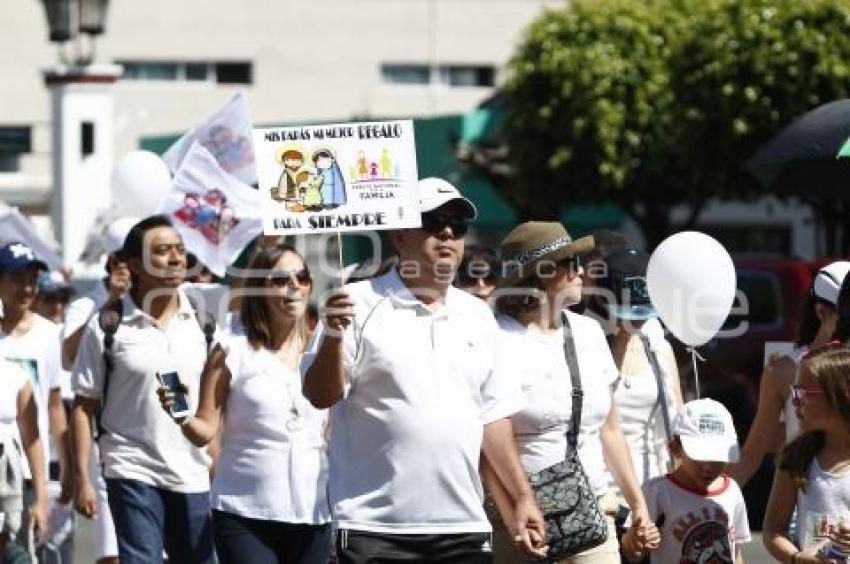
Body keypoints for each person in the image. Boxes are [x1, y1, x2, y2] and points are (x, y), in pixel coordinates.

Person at [302, 177, 547, 563]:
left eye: (457, 224)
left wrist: (521, 499)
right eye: (432, 221)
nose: (447, 232)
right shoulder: (356, 302)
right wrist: (332, 337)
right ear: (399, 236)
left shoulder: (479, 315)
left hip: (462, 527)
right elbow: (320, 395)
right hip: (374, 527)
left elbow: (494, 418)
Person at [489, 221, 657, 563]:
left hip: (593, 511)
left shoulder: (589, 333)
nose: (583, 270)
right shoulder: (495, 338)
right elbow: (487, 442)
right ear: (542, 273)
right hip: (523, 523)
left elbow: (609, 431)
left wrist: (638, 504)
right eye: (572, 263)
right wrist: (514, 510)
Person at [159, 244, 331, 564]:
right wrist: (180, 415)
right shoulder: (231, 349)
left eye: (303, 277)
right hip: (245, 512)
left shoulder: (326, 350)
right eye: (280, 280)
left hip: (315, 511)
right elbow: (204, 430)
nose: (294, 287)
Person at [71, 216, 216, 564]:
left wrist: (216, 457)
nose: (176, 259)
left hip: (191, 470)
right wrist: (82, 478)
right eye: (163, 251)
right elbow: (83, 406)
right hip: (130, 466)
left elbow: (214, 400)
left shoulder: (201, 319)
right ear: (135, 264)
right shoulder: (107, 325)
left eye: (180, 250)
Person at [732, 261, 850, 486]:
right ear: (822, 312)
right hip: (804, 505)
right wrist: (712, 502)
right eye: (845, 316)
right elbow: (754, 454)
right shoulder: (782, 371)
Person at [60, 216, 136, 564]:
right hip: (108, 450)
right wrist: (111, 303)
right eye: (126, 258)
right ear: (111, 262)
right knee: (112, 555)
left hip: (155, 449)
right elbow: (70, 356)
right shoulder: (86, 305)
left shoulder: (161, 305)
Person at [0, 242, 72, 557]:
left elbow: (55, 406)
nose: (27, 288)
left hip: (29, 469)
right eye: (17, 279)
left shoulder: (49, 335)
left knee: (23, 552)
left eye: (32, 279)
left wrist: (69, 467)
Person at [623, 398, 751, 563]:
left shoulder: (732, 491)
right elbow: (632, 554)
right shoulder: (657, 492)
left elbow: (735, 551)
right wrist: (634, 540)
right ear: (675, 448)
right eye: (699, 456)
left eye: (717, 457)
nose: (708, 468)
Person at [597, 249, 683, 490]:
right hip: (603, 495)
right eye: (630, 311)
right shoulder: (585, 349)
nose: (640, 319)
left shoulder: (659, 349)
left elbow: (676, 423)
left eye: (645, 310)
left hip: (654, 491)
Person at [763, 345, 850, 562]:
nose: (794, 401)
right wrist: (797, 558)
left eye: (803, 392)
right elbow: (773, 530)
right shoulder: (797, 457)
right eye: (795, 391)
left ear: (840, 395)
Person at [0, 356, 48, 553]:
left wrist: (40, 500)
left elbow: (32, 440)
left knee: (9, 543)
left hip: (6, 479)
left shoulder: (15, 374)